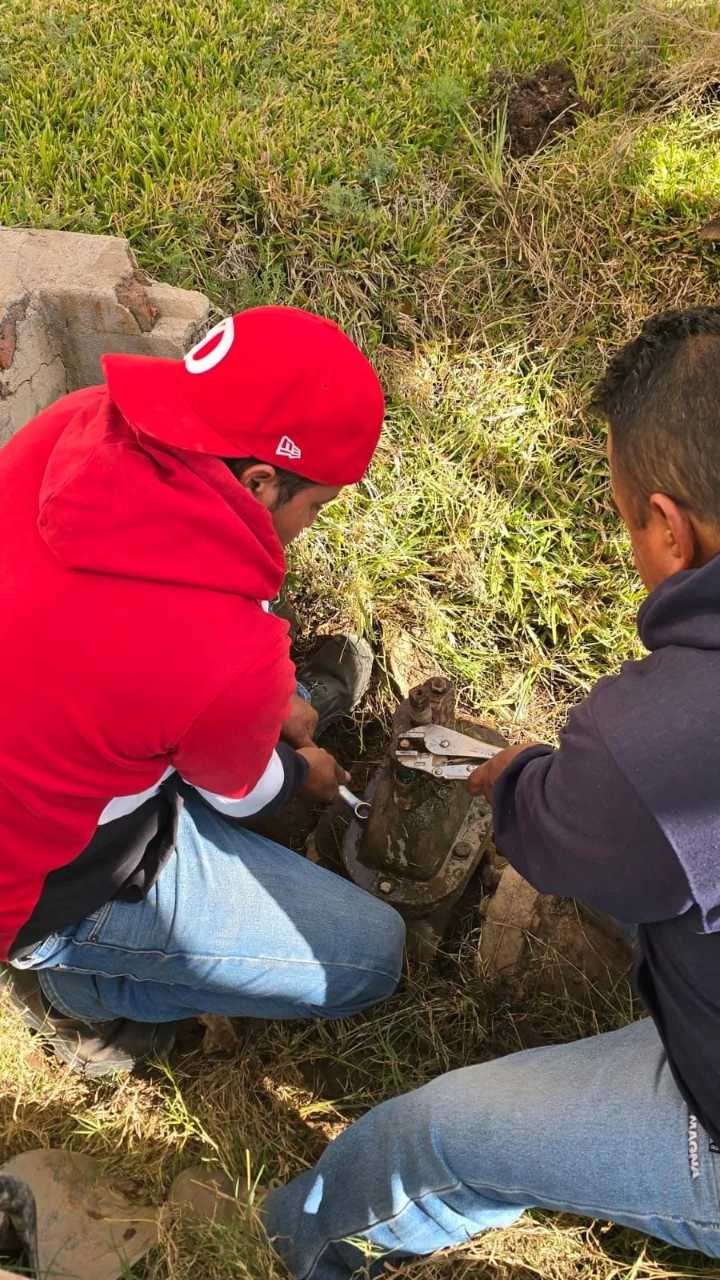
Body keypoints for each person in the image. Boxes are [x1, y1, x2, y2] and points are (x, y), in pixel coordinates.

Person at [263, 307, 720, 1275]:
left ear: (671, 530)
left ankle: (274, 1245)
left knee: (430, 1138)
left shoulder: (658, 743)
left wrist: (520, 781)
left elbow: (557, 832)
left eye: (625, 517)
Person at [0, 306, 405, 1076]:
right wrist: (302, 771)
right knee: (371, 961)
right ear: (260, 481)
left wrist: (254, 690)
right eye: (315, 506)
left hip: (34, 739)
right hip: (36, 883)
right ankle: (79, 994)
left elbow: (166, 643)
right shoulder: (219, 655)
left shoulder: (79, 424)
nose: (310, 524)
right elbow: (242, 794)